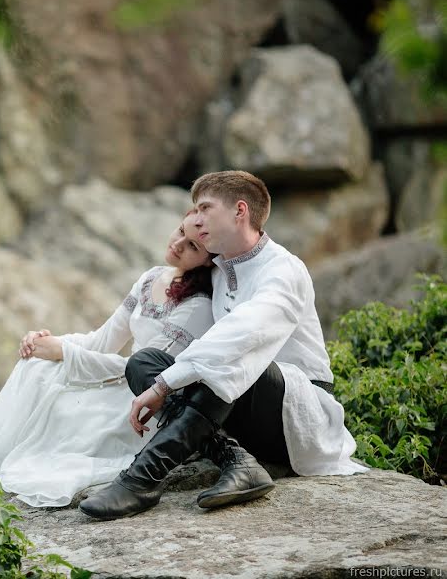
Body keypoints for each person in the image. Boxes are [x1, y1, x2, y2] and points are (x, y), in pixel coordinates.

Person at [79, 170, 369, 521]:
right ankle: (237, 461)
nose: (195, 220)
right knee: (143, 361)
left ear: (239, 211)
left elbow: (243, 332)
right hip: (235, 407)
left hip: (294, 415)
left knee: (233, 357)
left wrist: (165, 385)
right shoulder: (218, 270)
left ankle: (144, 477)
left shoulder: (283, 270)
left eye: (204, 208)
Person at [0, 211, 216, 507]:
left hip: (145, 401)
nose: (178, 243)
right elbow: (103, 341)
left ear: (210, 260)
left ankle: (4, 461)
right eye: (181, 230)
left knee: (62, 402)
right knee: (38, 362)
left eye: (193, 246)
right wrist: (52, 343)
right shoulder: (152, 277)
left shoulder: (198, 306)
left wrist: (65, 353)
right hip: (121, 379)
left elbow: (148, 370)